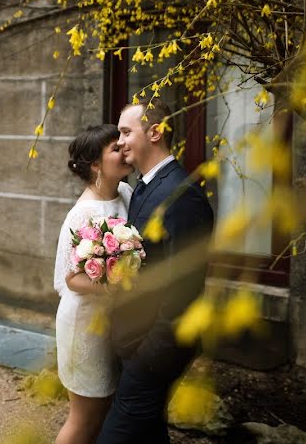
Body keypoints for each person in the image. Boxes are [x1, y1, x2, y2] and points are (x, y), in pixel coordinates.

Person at [97, 98, 214, 444]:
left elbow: (184, 288)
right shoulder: (146, 187)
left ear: (155, 133)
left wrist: (147, 355)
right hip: (136, 342)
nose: (118, 142)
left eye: (125, 132)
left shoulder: (181, 195)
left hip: (154, 350)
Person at [54, 124, 134, 444]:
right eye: (116, 148)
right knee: (84, 418)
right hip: (84, 324)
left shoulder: (126, 193)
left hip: (113, 322)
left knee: (105, 412)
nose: (124, 150)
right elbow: (71, 278)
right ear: (96, 165)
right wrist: (113, 287)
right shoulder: (82, 214)